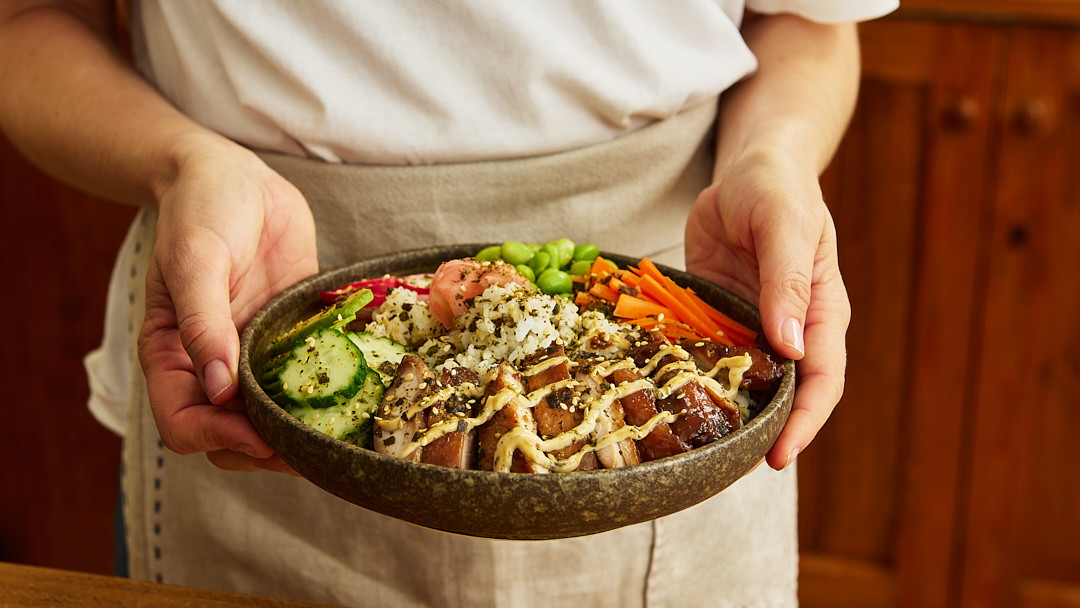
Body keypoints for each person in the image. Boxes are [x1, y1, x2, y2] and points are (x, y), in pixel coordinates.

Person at [0, 1, 896, 606]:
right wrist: (180, 163)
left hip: (663, 326)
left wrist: (770, 158)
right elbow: (29, 20)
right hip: (255, 290)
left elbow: (809, 22)